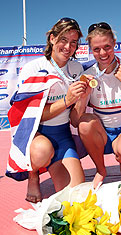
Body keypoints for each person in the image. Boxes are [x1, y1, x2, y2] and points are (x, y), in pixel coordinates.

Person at [6, 18, 89, 203]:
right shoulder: (33, 68)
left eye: (73, 42)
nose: (68, 46)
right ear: (52, 38)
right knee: (42, 151)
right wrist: (67, 99)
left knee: (78, 198)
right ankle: (33, 175)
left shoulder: (76, 68)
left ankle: (56, 163)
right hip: (37, 134)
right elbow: (29, 116)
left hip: (63, 135)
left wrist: (82, 99)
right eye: (63, 40)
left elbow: (75, 119)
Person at [71, 22, 121, 189]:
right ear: (90, 50)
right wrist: (82, 98)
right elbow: (75, 121)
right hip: (100, 133)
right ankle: (101, 170)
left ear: (114, 43)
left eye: (107, 47)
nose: (103, 53)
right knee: (85, 123)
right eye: (96, 49)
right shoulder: (87, 74)